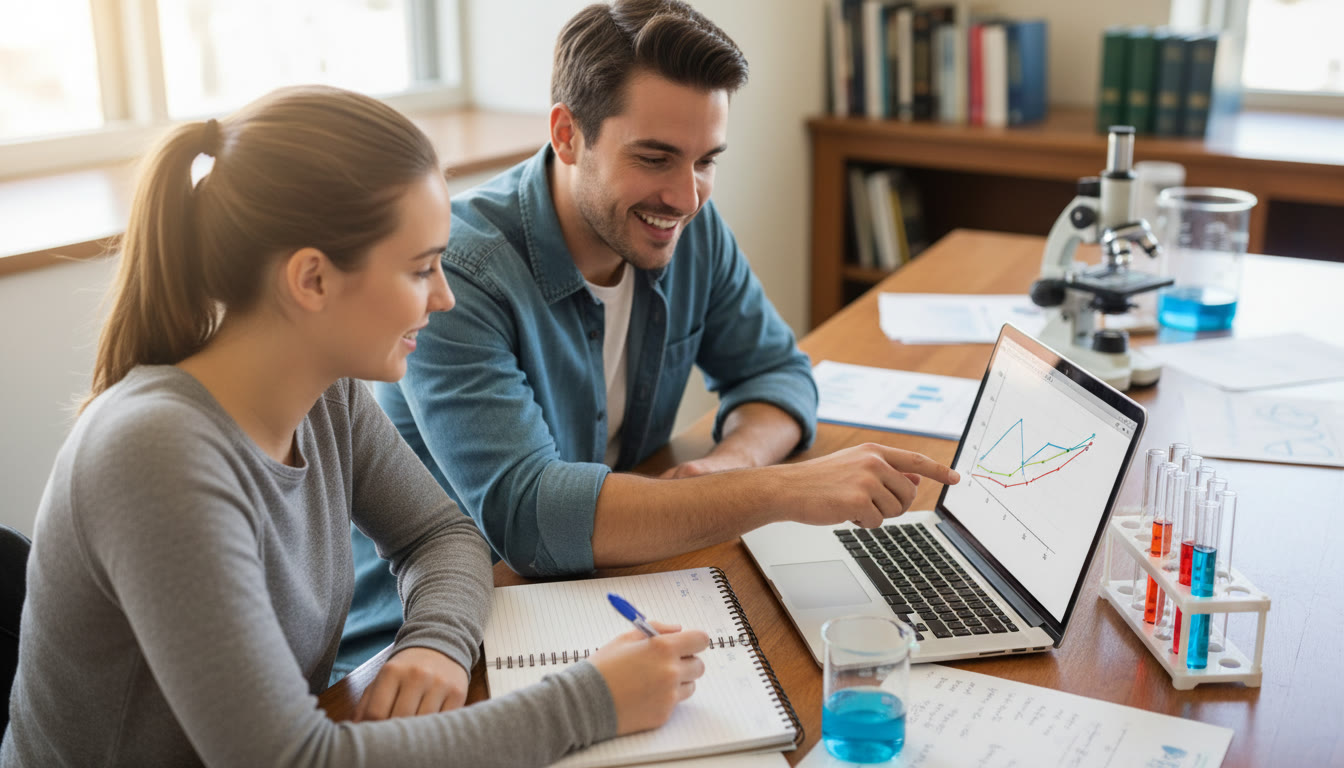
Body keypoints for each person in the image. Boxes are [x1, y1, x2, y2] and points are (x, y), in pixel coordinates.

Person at [1, 85, 710, 768]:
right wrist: (593, 701)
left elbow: (442, 535)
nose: (443, 297)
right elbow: (289, 758)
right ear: (311, 280)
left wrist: (436, 640)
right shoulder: (154, 454)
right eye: (421, 268)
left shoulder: (325, 395)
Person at [339, 0, 959, 675]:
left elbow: (779, 374)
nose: (686, 196)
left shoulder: (685, 226)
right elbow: (532, 519)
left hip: (588, 592)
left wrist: (735, 464)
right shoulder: (460, 270)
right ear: (568, 134)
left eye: (705, 161)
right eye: (656, 158)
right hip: (431, 644)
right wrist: (785, 490)